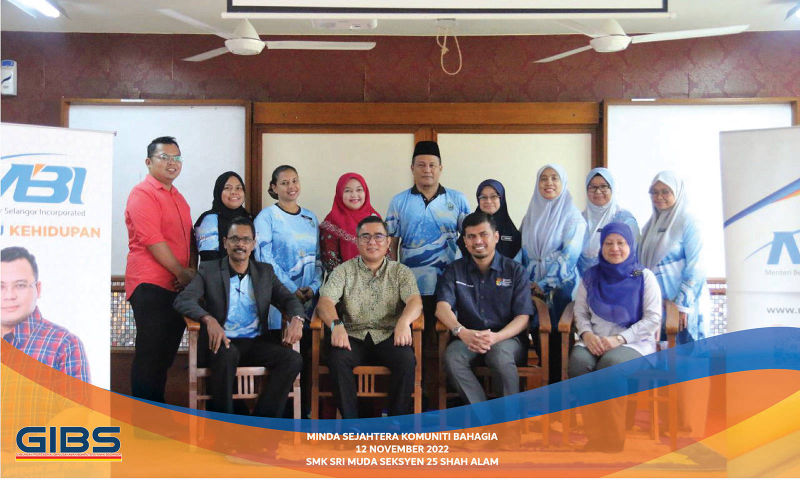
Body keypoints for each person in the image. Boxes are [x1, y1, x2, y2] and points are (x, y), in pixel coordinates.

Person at [174, 217, 305, 417]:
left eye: (246, 240)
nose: (240, 244)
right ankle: (225, 428)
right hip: (222, 343)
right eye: (234, 239)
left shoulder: (265, 272)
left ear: (253, 244)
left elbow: (289, 299)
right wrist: (208, 319)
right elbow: (183, 300)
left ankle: (260, 424)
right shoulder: (209, 271)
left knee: (293, 359)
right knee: (227, 355)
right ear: (225, 242)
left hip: (255, 343)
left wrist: (297, 319)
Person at [385, 140, 470, 406]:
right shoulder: (399, 201)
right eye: (421, 165)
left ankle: (445, 402)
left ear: (441, 168)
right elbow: (391, 245)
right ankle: (414, 400)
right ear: (412, 168)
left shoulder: (457, 200)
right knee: (412, 344)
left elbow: (470, 240)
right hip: (411, 288)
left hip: (449, 287)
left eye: (432, 165)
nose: (427, 170)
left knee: (445, 342)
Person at [568, 222, 661, 452]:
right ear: (601, 246)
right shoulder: (591, 276)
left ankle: (612, 439)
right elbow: (580, 312)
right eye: (608, 243)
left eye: (621, 243)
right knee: (578, 362)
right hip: (594, 340)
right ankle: (594, 436)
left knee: (611, 364)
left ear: (630, 245)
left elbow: (653, 318)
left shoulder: (642, 276)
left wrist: (619, 339)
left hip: (634, 343)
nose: (615, 248)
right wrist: (587, 335)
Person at [317, 216, 422, 418]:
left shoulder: (401, 272)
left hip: (389, 335)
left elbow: (415, 301)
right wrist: (336, 324)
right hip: (352, 336)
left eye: (378, 236)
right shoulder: (343, 271)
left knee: (406, 359)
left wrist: (403, 322)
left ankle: (396, 423)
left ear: (388, 242)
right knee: (337, 359)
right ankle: (352, 425)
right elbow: (325, 302)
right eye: (365, 237)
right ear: (357, 241)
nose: (372, 242)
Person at [436, 212, 534, 404]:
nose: (478, 241)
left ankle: (510, 419)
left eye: (483, 234)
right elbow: (442, 307)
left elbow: (523, 317)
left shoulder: (515, 271)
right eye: (471, 236)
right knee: (453, 358)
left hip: (506, 339)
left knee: (499, 356)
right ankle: (485, 416)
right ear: (465, 241)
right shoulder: (455, 270)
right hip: (468, 337)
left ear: (496, 237)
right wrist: (461, 331)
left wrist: (497, 337)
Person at [125, 136, 195, 404]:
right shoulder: (142, 193)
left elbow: (189, 239)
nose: (172, 163)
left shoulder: (178, 197)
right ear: (148, 161)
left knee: (164, 358)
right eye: (164, 157)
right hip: (150, 285)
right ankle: (145, 422)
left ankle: (157, 416)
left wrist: (188, 272)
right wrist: (181, 271)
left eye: (176, 158)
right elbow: (152, 239)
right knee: (150, 356)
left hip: (176, 286)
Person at [520, 164, 587, 382]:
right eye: (544, 178)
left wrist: (543, 284)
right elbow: (521, 253)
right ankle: (550, 388)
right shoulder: (530, 216)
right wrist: (522, 282)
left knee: (560, 340)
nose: (548, 183)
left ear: (563, 182)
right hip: (532, 289)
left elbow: (569, 256)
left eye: (554, 178)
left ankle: (562, 392)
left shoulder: (573, 217)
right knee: (540, 339)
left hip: (561, 289)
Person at [1, 246, 90, 382]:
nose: (9, 296)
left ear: (38, 289)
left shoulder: (64, 345)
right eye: (1, 286)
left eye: (20, 285)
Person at [638, 171, 707, 344]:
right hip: (656, 305)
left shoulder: (689, 222)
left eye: (665, 192)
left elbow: (696, 267)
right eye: (654, 192)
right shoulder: (650, 225)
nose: (659, 197)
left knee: (686, 355)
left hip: (683, 306)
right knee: (661, 354)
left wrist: (682, 306)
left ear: (677, 192)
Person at [254, 165, 323, 329]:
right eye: (284, 183)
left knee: (309, 340)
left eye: (294, 181)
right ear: (274, 187)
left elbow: (318, 259)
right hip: (279, 296)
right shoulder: (266, 217)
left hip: (309, 298)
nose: (291, 186)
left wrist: (313, 287)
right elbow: (264, 260)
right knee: (283, 340)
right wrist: (291, 288)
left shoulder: (310, 217)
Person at [578, 168, 640, 275]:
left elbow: (633, 257)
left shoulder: (625, 220)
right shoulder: (578, 221)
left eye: (603, 186)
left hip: (617, 280)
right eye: (592, 187)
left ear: (612, 189)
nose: (598, 191)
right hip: (582, 281)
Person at [319, 172, 381, 273]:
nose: (354, 195)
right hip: (345, 280)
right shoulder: (331, 222)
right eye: (347, 191)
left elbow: (385, 251)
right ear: (339, 193)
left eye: (359, 190)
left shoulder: (374, 218)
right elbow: (330, 260)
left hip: (377, 278)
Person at [457, 179, 527, 265]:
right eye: (483, 197)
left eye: (493, 196)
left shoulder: (511, 232)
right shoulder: (469, 224)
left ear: (501, 199)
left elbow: (516, 265)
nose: (488, 201)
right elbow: (459, 257)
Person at [194, 171, 251, 262]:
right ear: (219, 191)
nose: (234, 192)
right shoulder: (209, 219)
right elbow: (209, 259)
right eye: (227, 188)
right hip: (217, 270)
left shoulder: (250, 218)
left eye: (238, 188)